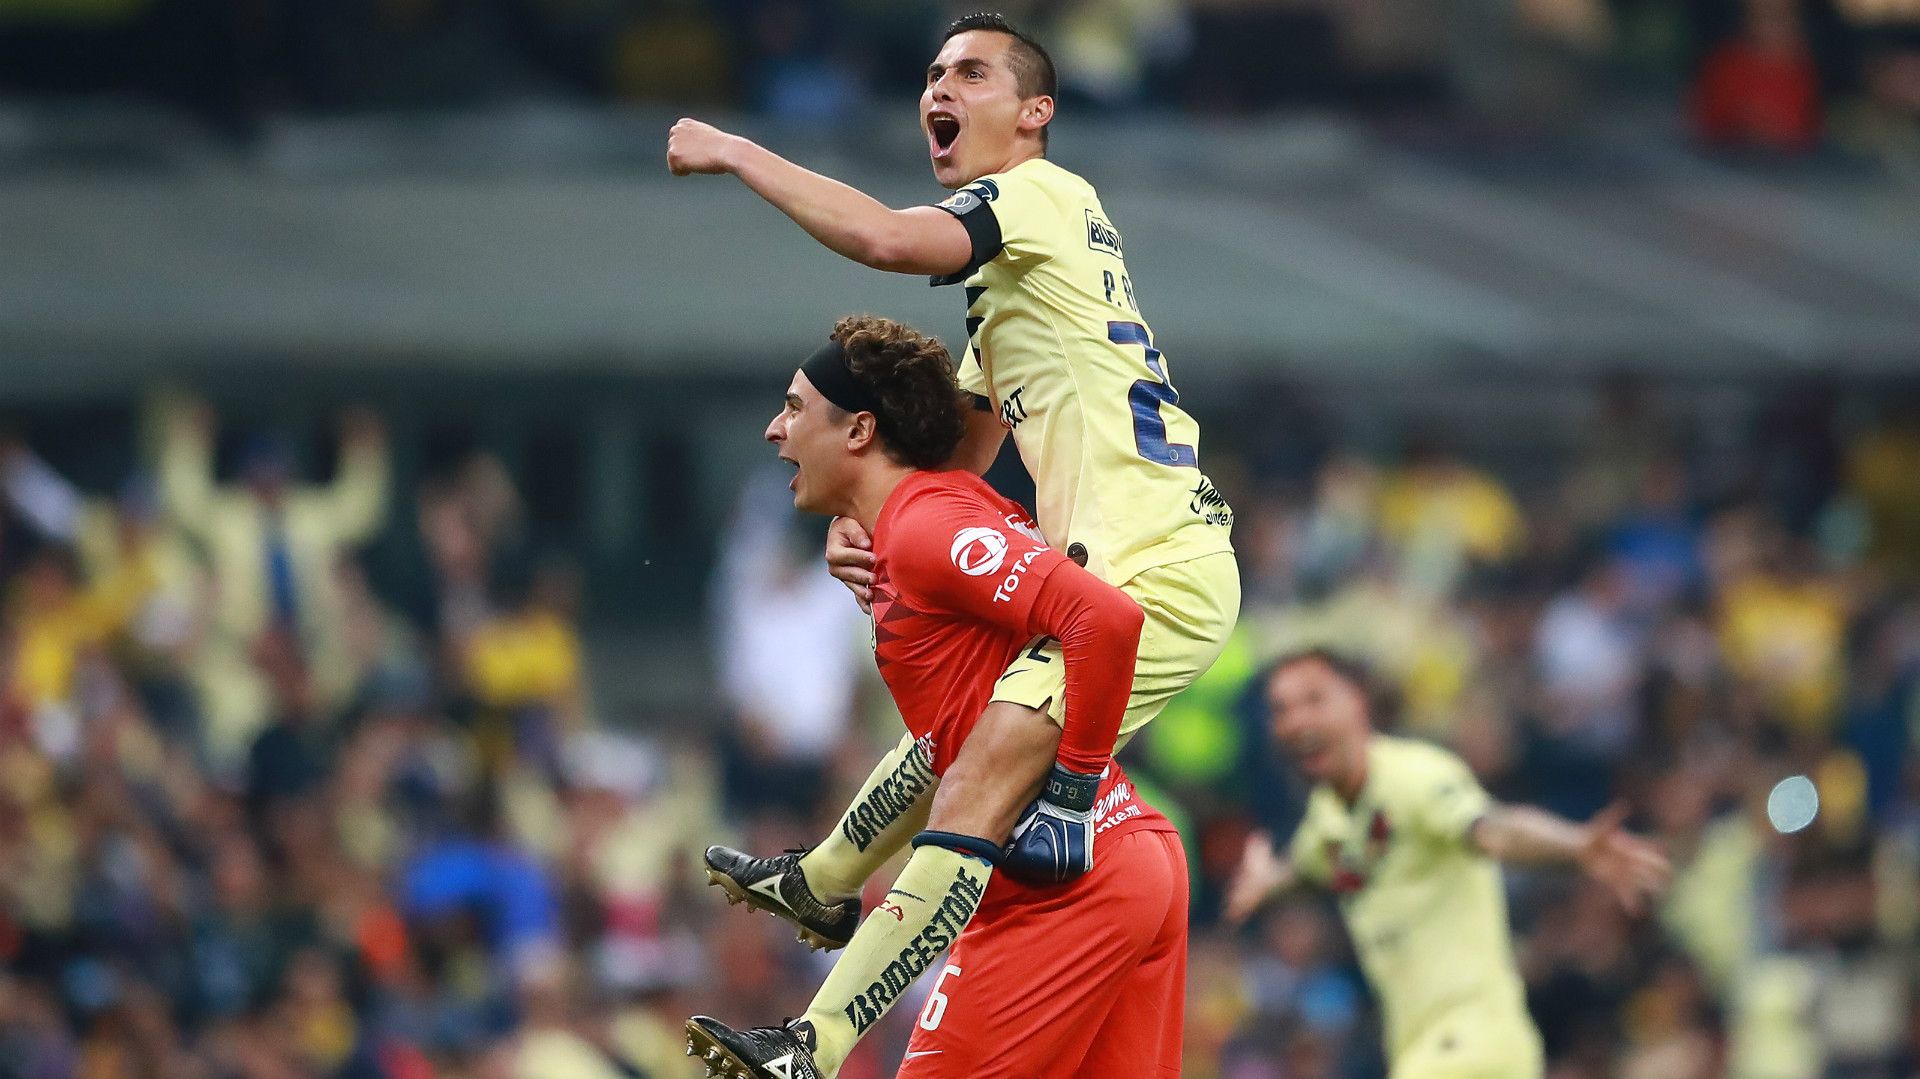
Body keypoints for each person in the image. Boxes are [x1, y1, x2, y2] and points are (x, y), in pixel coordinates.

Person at [671, 9, 1238, 951]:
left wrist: (738, 151)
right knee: (963, 725)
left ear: (1034, 113)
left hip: (1152, 570)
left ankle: (819, 1038)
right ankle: (823, 883)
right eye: (934, 75)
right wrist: (871, 522)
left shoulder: (1040, 195)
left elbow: (890, 241)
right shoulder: (1018, 295)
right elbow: (954, 460)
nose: (939, 89)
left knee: (977, 776)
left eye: (972, 74)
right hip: (1135, 560)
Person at [685, 316, 1185, 1079]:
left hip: (1060, 884)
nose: (773, 429)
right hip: (1128, 861)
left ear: (858, 430)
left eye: (793, 407)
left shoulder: (925, 525)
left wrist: (1073, 791)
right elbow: (951, 743)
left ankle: (809, 1043)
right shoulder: (919, 523)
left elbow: (1106, 618)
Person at [1223, 649, 1674, 1079]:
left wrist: (1575, 843)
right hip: (1430, 1049)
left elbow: (1493, 828)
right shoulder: (1328, 816)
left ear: (1358, 699)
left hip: (1471, 1041)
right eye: (1281, 709)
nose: (1296, 720)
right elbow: (1309, 867)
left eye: (1314, 699)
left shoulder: (1413, 777)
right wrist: (1268, 882)